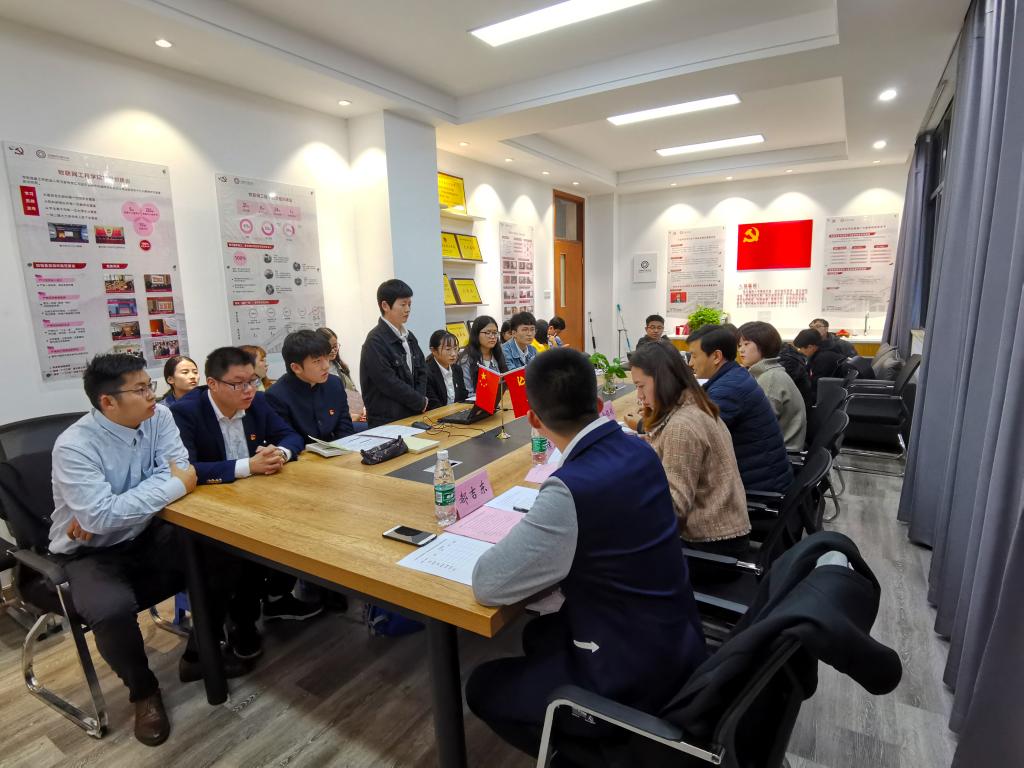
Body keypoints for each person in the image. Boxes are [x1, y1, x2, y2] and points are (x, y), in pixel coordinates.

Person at [465, 348, 706, 758]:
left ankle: (594, 755)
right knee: (538, 633)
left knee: (483, 685)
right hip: (676, 637)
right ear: (597, 404)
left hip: (629, 671)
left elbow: (488, 584)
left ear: (534, 420)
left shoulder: (569, 490)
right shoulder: (640, 450)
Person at [49, 354, 247, 746]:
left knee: (224, 555)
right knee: (111, 609)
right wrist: (172, 485)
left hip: (147, 531)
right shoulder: (74, 446)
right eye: (140, 390)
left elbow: (182, 467)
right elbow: (103, 517)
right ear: (108, 401)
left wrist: (118, 504)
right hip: (89, 550)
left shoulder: (160, 417)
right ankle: (144, 692)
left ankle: (198, 656)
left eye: (149, 385)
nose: (152, 395)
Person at [169, 347, 317, 657]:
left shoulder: (258, 402)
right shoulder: (185, 412)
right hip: (210, 506)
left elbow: (291, 436)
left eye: (252, 380)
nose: (248, 389)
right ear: (212, 384)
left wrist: (279, 454)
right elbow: (186, 468)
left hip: (257, 498)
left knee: (304, 522)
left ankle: (276, 598)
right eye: (238, 383)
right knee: (237, 558)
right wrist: (248, 466)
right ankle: (242, 623)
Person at [630, 341, 751, 563]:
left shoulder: (681, 426)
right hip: (725, 535)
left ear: (662, 381)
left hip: (709, 548)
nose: (639, 396)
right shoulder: (694, 404)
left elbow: (673, 509)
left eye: (641, 386)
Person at [687, 325, 793, 493]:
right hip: (761, 474)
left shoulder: (729, 388)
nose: (690, 363)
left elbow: (692, 438)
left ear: (716, 356)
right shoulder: (734, 375)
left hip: (758, 488)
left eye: (694, 356)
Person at [359, 279, 428, 428]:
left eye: (409, 304)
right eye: (403, 304)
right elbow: (388, 382)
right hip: (387, 421)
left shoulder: (409, 336)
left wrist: (420, 399)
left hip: (413, 414)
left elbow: (422, 370)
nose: (407, 309)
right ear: (385, 306)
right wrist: (418, 401)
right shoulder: (375, 341)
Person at [266, 329, 355, 443]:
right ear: (296, 368)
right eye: (317, 361)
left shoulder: (334, 384)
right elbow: (286, 440)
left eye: (326, 357)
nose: (326, 366)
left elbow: (345, 429)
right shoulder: (276, 396)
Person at [738, 321, 807, 450]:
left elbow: (757, 428)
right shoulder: (771, 372)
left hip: (781, 453)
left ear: (764, 345)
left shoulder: (770, 379)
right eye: (739, 345)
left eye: (746, 344)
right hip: (777, 448)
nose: (741, 349)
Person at [316, 326, 367, 425]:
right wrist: (352, 416)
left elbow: (353, 393)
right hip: (344, 419)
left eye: (335, 346)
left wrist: (363, 409)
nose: (333, 350)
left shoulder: (340, 366)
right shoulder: (319, 375)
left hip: (358, 414)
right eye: (329, 347)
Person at [457, 315, 508, 398]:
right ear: (476, 334)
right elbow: (468, 393)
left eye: (495, 333)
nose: (492, 337)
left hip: (498, 401)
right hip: (474, 403)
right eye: (488, 333)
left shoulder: (498, 354)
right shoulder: (466, 360)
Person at [794, 328, 848, 403]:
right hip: (834, 390)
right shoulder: (826, 350)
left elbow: (816, 386)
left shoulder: (822, 359)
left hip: (830, 396)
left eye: (800, 348)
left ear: (810, 347)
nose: (800, 351)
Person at [425, 329, 468, 410]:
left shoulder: (457, 369)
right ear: (433, 351)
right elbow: (434, 406)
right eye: (448, 349)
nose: (453, 354)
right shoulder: (427, 373)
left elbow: (463, 397)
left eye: (455, 348)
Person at [778, 340, 814, 411]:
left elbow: (781, 388)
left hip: (797, 409)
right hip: (802, 405)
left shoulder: (787, 362)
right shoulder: (794, 357)